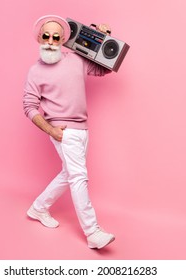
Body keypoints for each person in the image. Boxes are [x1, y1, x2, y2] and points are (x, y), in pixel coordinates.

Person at [23, 15, 115, 249]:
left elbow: (104, 69)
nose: (51, 40)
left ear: (63, 39)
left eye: (56, 36)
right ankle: (92, 232)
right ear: (39, 38)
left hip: (83, 128)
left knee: (69, 173)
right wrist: (51, 130)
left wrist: (105, 37)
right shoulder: (35, 72)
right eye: (46, 36)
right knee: (78, 177)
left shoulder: (76, 59)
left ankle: (38, 208)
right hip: (64, 131)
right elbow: (29, 106)